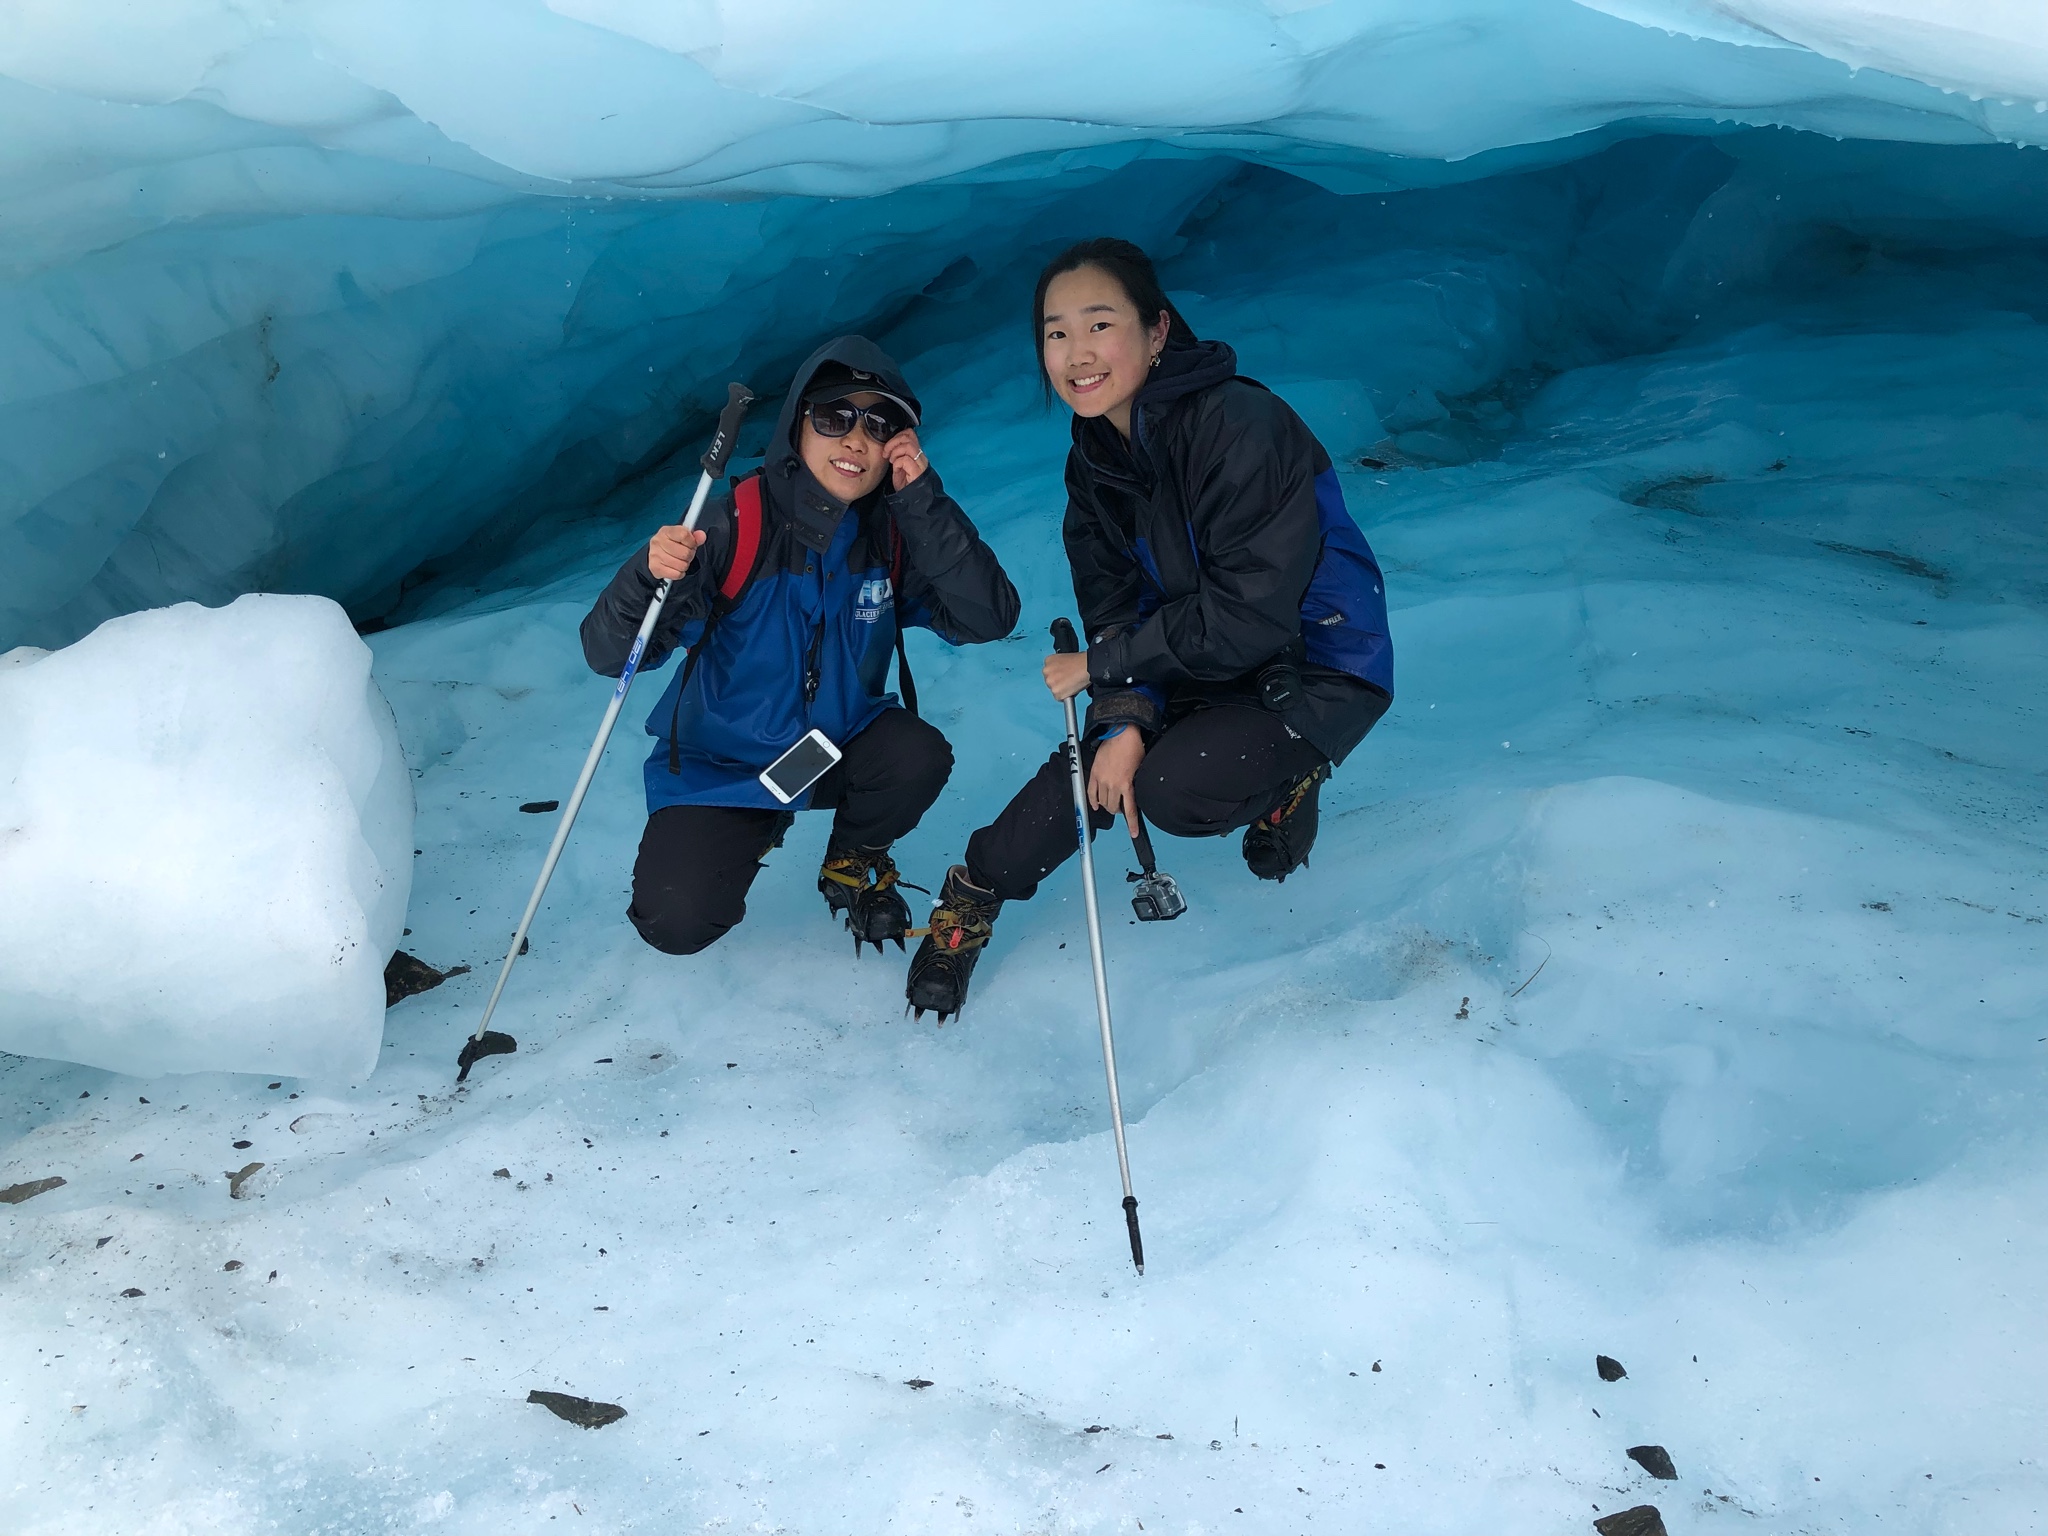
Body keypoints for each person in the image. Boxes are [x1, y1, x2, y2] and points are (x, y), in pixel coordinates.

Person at [905, 239, 1393, 1020]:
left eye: (1100, 324)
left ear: (1158, 331)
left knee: (1172, 788)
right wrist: (1125, 717)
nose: (1076, 353)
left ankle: (1289, 776)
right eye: (1056, 333)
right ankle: (979, 891)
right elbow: (1113, 606)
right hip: (1196, 657)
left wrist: (1108, 666)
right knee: (1105, 766)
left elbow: (1250, 613)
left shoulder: (1242, 426)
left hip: (1314, 665)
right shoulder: (1094, 458)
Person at [581, 337, 1019, 958]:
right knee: (675, 919)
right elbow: (610, 654)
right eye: (835, 416)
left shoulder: (889, 536)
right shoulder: (733, 526)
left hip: (832, 746)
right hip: (725, 767)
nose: (855, 439)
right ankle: (755, 821)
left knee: (915, 755)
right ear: (798, 424)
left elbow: (989, 617)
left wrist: (921, 502)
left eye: (880, 423)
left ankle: (853, 855)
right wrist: (646, 575)